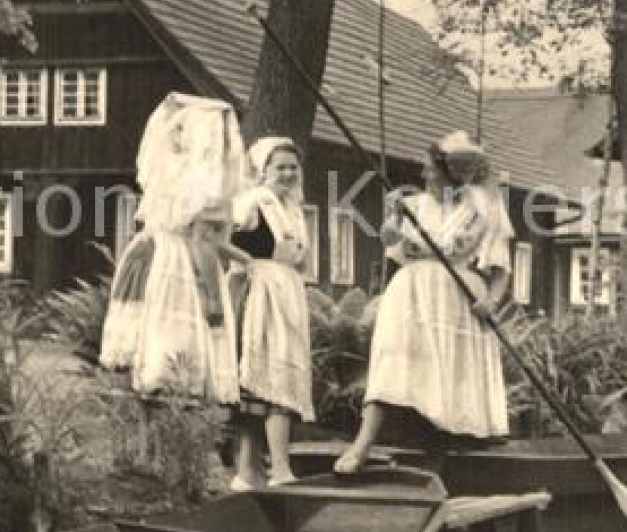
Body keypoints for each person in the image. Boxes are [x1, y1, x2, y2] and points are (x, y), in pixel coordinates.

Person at [336, 131, 513, 474]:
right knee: (392, 359)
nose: (423, 174)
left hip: (457, 296)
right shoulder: (413, 205)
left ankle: (438, 463)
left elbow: (501, 268)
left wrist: (491, 301)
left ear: (451, 173)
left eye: (430, 168)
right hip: (411, 291)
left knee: (445, 373)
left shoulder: (481, 212)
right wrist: (393, 218)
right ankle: (362, 445)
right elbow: (389, 242)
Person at [100, 94, 246, 406]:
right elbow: (202, 245)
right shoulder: (208, 188)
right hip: (179, 266)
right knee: (179, 353)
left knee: (153, 351)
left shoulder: (167, 177)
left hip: (147, 254)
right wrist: (213, 298)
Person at [226, 136, 316, 490]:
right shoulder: (252, 203)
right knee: (259, 373)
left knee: (277, 372)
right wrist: (246, 264)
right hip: (258, 290)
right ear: (263, 170)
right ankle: (263, 469)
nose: (288, 174)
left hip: (286, 292)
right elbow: (218, 236)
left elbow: (300, 256)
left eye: (293, 167)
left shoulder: (292, 208)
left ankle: (261, 469)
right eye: (280, 167)